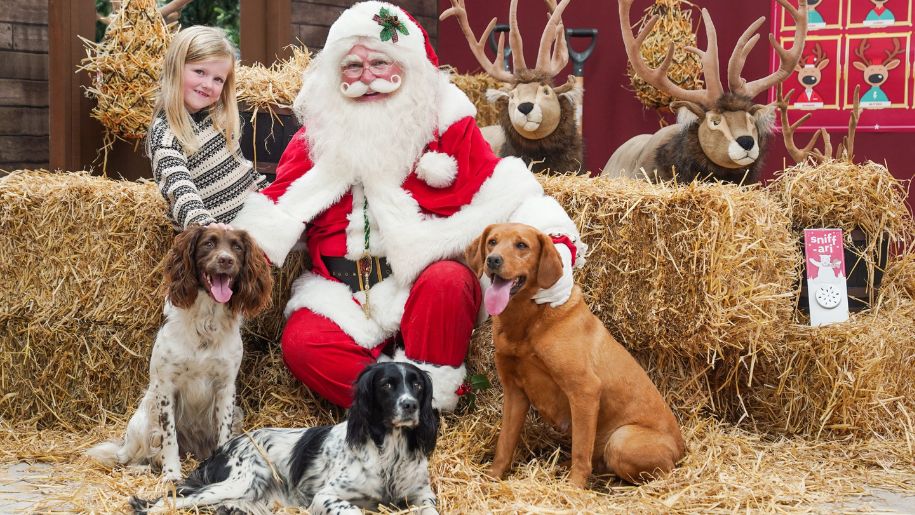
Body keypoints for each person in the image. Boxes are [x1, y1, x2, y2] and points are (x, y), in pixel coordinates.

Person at [232, 1, 586, 411]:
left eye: (380, 63)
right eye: (352, 67)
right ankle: (400, 411)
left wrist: (556, 245)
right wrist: (224, 261)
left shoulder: (447, 129)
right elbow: (274, 210)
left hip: (417, 287)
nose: (366, 78)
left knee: (450, 281)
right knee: (302, 345)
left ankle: (431, 400)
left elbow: (513, 193)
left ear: (407, 66)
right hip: (339, 294)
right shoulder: (316, 138)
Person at [148, 26, 268, 230]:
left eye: (218, 79)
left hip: (249, 226)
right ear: (176, 67)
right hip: (215, 241)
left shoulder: (216, 119)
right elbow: (179, 188)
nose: (208, 85)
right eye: (200, 72)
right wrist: (204, 225)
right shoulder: (166, 134)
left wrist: (269, 195)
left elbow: (242, 171)